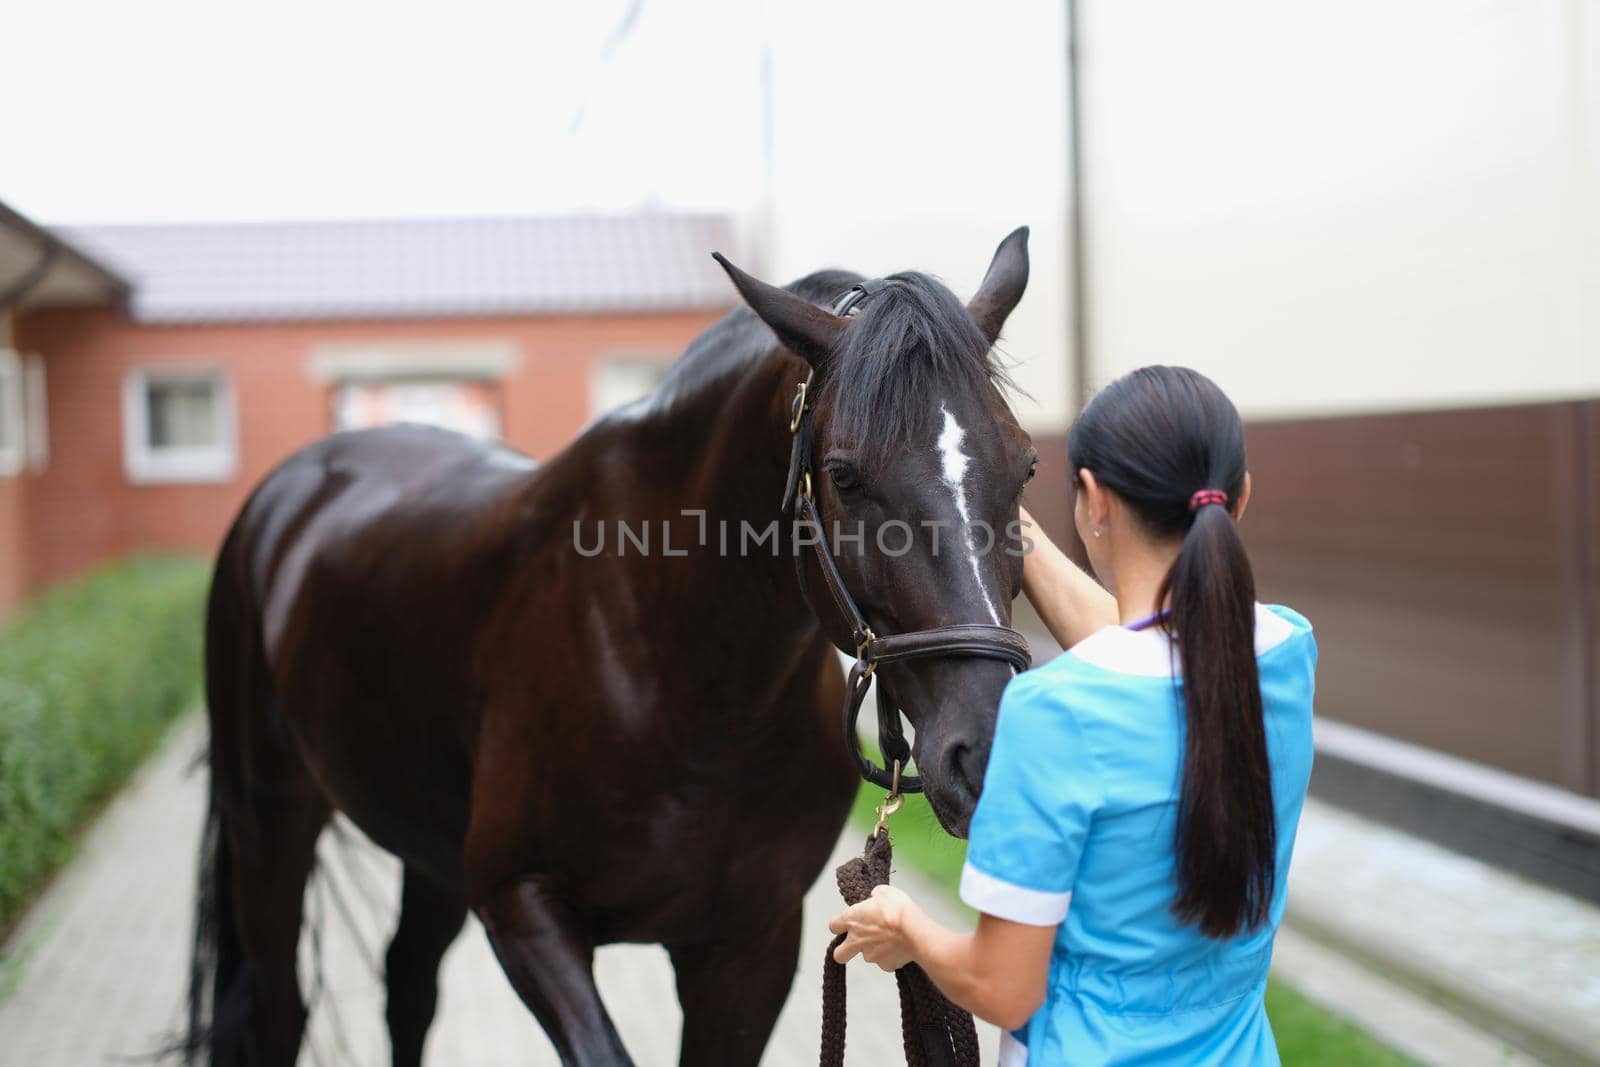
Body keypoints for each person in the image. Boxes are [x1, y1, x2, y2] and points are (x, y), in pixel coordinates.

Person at [829, 365, 1317, 1065]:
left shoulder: (1054, 715)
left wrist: (906, 927)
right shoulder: (1284, 654)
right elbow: (1149, 652)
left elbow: (1002, 986)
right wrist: (988, 507)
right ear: (1238, 498)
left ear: (1092, 501)